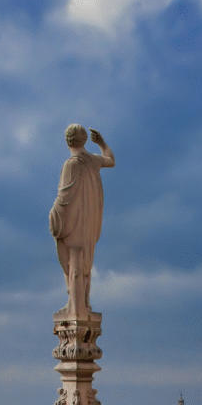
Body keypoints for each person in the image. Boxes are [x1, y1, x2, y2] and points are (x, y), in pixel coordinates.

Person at [49, 124, 115, 319]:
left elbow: (63, 197)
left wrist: (53, 215)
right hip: (89, 222)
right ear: (84, 140)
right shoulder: (93, 160)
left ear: (67, 141)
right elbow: (111, 160)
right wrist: (102, 143)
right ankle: (81, 304)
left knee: (73, 265)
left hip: (73, 222)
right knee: (84, 265)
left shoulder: (71, 164)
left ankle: (75, 308)